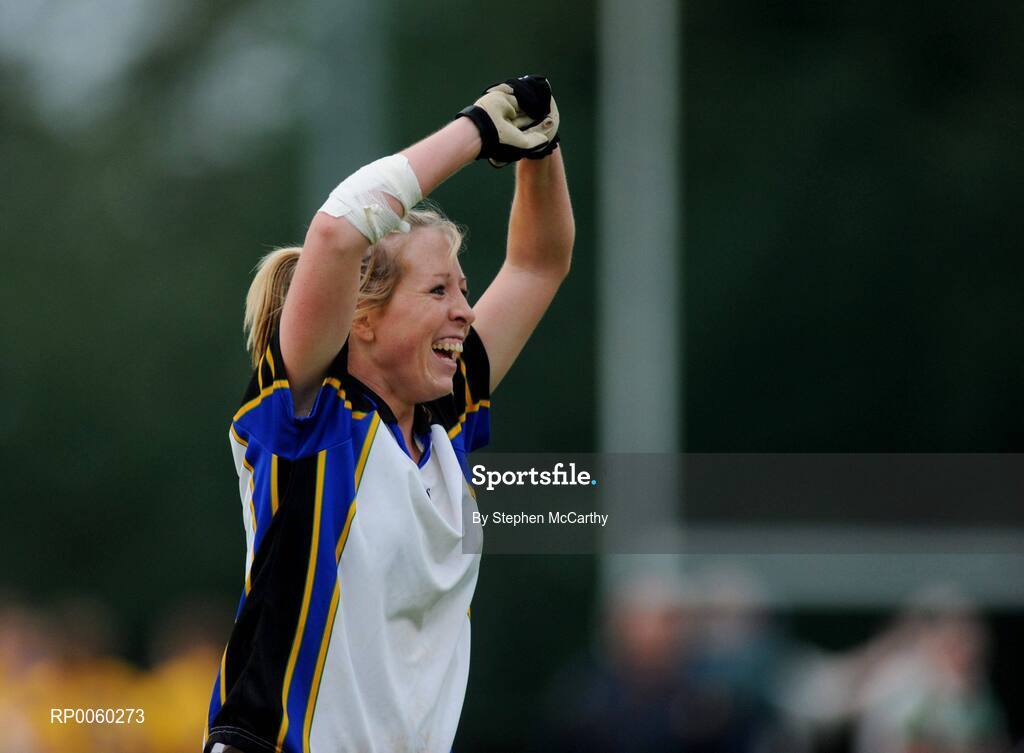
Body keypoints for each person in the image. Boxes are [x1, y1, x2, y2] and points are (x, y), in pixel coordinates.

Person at [203, 75, 574, 753]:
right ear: (362, 318)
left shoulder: (445, 419)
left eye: (462, 288)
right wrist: (478, 131)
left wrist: (540, 150)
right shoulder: (312, 416)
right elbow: (337, 230)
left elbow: (539, 262)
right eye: (438, 289)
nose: (465, 309)